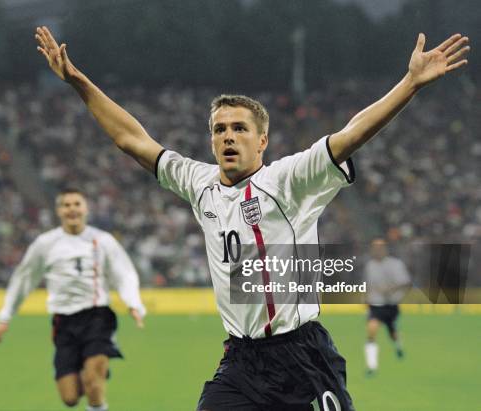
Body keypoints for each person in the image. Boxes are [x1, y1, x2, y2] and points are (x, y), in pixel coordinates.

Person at [35, 25, 469, 410]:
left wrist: (410, 84)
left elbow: (352, 133)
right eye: (220, 129)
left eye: (239, 128)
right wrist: (78, 82)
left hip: (302, 358)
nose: (228, 136)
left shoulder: (290, 180)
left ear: (262, 141)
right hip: (241, 362)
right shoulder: (197, 182)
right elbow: (132, 138)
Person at [0, 187, 145, 411]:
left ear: (86, 209)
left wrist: (133, 304)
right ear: (59, 211)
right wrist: (5, 317)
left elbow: (123, 273)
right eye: (66, 205)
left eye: (77, 204)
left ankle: (96, 372)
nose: (72, 209)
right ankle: (94, 369)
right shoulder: (45, 243)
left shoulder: (102, 240)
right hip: (63, 322)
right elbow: (24, 279)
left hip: (97, 317)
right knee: (70, 398)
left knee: (93, 384)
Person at [364, 238, 411, 377]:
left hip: (391, 305)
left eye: (380, 247)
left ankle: (398, 346)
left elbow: (406, 283)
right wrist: (366, 297)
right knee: (371, 331)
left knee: (392, 333)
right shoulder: (370, 265)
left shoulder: (396, 264)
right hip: (376, 305)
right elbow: (368, 284)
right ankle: (372, 366)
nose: (377, 250)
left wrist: (390, 289)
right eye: (374, 247)